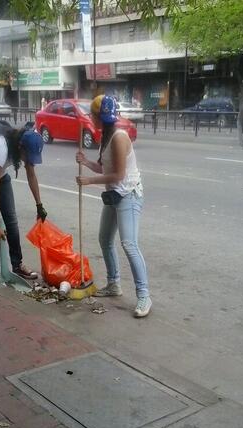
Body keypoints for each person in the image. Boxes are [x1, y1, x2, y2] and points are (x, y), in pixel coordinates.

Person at [75, 95, 152, 318]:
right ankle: (113, 284)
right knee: (105, 239)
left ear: (100, 117)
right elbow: (103, 168)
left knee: (129, 243)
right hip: (114, 194)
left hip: (128, 195)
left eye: (94, 115)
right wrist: (85, 162)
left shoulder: (118, 137)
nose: (92, 119)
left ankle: (144, 296)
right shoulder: (106, 136)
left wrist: (88, 182)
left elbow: (118, 175)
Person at [0, 127, 47, 280]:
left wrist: (39, 205)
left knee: (11, 220)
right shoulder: (0, 150)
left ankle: (17, 265)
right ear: (20, 147)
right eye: (28, 156)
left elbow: (31, 174)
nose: (29, 160)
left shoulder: (24, 147)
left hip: (1, 176)